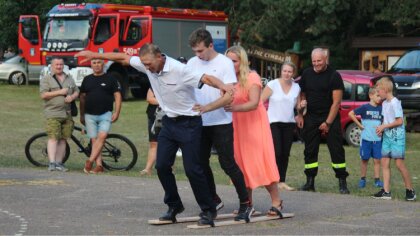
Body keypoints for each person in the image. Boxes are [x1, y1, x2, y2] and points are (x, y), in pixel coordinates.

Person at [75, 43, 231, 226]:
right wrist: (95, 54)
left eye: (149, 64)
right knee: (162, 166)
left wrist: (223, 86)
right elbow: (123, 58)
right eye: (144, 64)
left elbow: (206, 78)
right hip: (169, 123)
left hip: (189, 123)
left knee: (192, 169)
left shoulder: (180, 69)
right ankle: (174, 206)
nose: (146, 68)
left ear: (160, 57)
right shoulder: (146, 62)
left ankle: (208, 209)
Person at [187, 28, 253, 221]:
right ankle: (213, 200)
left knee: (227, 163)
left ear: (210, 45)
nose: (197, 55)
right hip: (199, 122)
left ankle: (245, 204)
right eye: (195, 52)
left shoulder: (224, 63)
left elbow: (229, 96)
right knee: (200, 163)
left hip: (220, 122)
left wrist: (207, 107)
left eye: (200, 51)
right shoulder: (192, 63)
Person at [224, 45, 284, 216]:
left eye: (234, 61)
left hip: (255, 125)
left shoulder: (252, 77)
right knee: (242, 165)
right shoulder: (228, 80)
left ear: (242, 62)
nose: (230, 64)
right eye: (227, 61)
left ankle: (277, 202)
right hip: (237, 126)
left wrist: (233, 107)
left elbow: (254, 102)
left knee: (260, 163)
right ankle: (247, 203)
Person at [298, 48, 350, 194]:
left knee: (336, 150)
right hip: (311, 117)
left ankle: (342, 182)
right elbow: (301, 94)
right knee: (310, 150)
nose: (316, 64)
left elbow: (336, 103)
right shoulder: (307, 73)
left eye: (319, 61)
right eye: (314, 61)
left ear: (325, 59)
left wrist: (327, 123)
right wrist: (301, 112)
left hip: (330, 116)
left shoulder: (334, 76)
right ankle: (310, 182)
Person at [261, 62, 303, 191]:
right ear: (281, 71)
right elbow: (259, 102)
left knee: (285, 154)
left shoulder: (297, 87)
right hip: (273, 123)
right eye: (285, 71)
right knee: (277, 152)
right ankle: (271, 179)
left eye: (290, 71)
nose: (287, 73)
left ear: (293, 73)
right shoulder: (272, 84)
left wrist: (302, 108)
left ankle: (281, 181)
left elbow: (298, 106)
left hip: (289, 123)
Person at [372, 77, 416, 201]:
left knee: (399, 164)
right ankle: (386, 192)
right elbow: (386, 121)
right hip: (387, 137)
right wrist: (381, 129)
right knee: (384, 162)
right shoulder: (385, 103)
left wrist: (384, 126)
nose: (377, 93)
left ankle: (410, 190)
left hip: (397, 137)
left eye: (379, 91)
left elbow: (399, 121)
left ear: (385, 90)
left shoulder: (395, 102)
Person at [80, 59, 122, 174]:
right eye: (94, 63)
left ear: (103, 64)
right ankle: (99, 166)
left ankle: (90, 161)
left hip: (105, 113)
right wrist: (82, 115)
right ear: (91, 65)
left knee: (102, 137)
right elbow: (82, 98)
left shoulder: (111, 79)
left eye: (99, 62)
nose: (97, 65)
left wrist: (117, 112)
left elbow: (117, 96)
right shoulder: (87, 79)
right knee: (94, 141)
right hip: (89, 115)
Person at [39, 57, 79, 171]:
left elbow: (76, 91)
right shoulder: (46, 79)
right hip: (53, 113)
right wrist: (60, 92)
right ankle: (52, 163)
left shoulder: (69, 78)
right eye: (56, 64)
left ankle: (59, 163)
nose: (59, 66)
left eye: (61, 64)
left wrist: (72, 96)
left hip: (67, 114)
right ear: (52, 66)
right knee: (53, 138)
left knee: (63, 139)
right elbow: (43, 95)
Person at [348, 87, 384, 188]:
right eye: (378, 96)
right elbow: (350, 114)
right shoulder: (364, 107)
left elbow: (385, 122)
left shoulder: (381, 109)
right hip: (366, 140)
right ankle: (362, 179)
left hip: (377, 140)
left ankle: (377, 180)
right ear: (370, 96)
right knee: (364, 160)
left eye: (380, 96)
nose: (380, 98)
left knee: (377, 160)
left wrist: (382, 129)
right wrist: (359, 125)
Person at [140, 88, 160, 175]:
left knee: (168, 144)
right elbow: (150, 99)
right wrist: (164, 102)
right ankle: (148, 169)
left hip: (169, 117)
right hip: (154, 117)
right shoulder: (153, 84)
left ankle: (170, 168)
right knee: (153, 143)